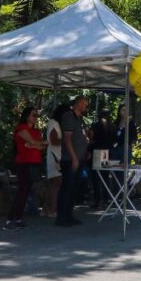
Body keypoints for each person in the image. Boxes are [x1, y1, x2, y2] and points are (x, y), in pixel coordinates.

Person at [5, 107, 47, 230]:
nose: (35, 118)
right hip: (24, 162)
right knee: (21, 191)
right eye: (33, 115)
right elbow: (34, 142)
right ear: (27, 116)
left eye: (36, 116)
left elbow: (39, 145)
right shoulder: (21, 128)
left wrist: (35, 144)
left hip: (34, 162)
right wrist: (36, 143)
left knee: (26, 191)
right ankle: (10, 219)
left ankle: (18, 218)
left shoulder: (36, 131)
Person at [55, 95, 89, 227]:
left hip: (79, 158)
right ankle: (61, 217)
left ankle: (69, 215)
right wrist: (74, 158)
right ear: (77, 103)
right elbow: (67, 139)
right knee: (67, 188)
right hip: (70, 159)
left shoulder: (79, 118)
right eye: (83, 104)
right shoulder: (69, 117)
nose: (84, 107)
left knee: (74, 188)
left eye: (86, 105)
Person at [43, 104, 68, 219]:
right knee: (56, 184)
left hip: (55, 155)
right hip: (54, 156)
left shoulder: (55, 123)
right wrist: (67, 141)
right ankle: (53, 209)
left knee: (52, 184)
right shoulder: (54, 123)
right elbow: (53, 140)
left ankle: (47, 208)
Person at [89, 109, 115, 209]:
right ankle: (106, 198)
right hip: (107, 151)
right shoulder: (111, 126)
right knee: (105, 175)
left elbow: (91, 136)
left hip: (98, 150)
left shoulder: (96, 125)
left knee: (96, 176)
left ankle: (97, 200)